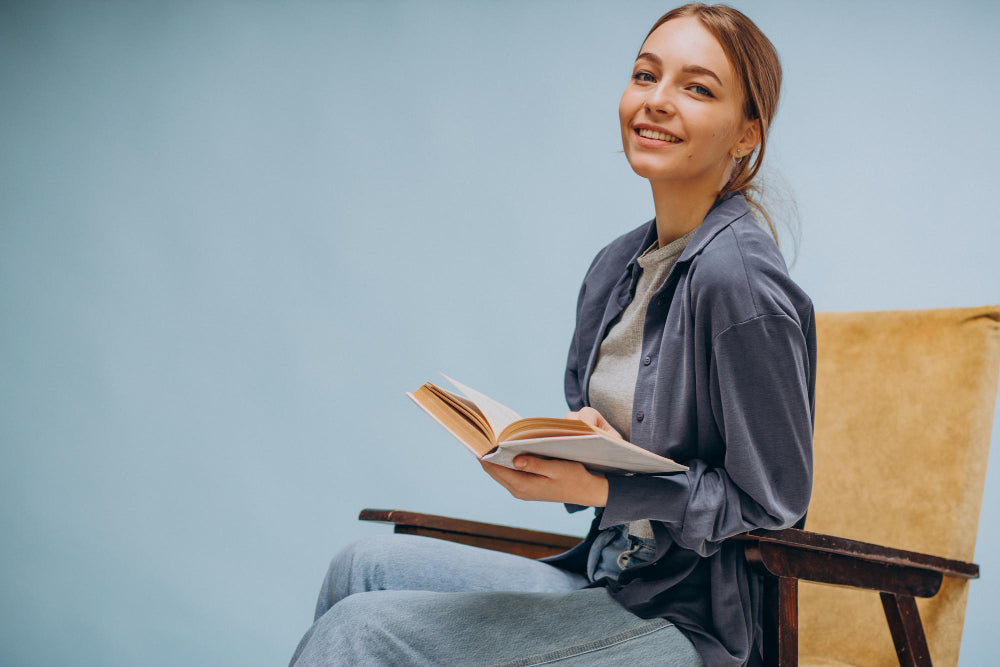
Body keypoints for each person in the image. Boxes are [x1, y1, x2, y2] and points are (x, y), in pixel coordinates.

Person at [289, 3, 815, 665]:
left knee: (360, 630)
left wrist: (601, 486)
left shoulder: (738, 282)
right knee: (359, 567)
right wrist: (575, 451)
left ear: (746, 135)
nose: (656, 101)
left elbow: (774, 507)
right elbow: (642, 444)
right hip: (608, 577)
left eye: (697, 87)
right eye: (645, 75)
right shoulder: (615, 268)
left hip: (692, 622)